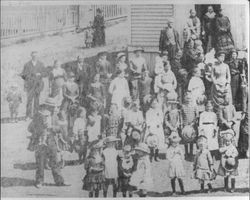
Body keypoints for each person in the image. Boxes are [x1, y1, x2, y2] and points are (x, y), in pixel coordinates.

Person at [28, 98, 69, 188]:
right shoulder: (38, 116)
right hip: (40, 142)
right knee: (40, 163)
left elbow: (59, 129)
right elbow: (30, 128)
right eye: (52, 107)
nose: (54, 109)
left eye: (53, 107)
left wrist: (52, 127)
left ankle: (59, 181)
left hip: (51, 141)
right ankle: (39, 181)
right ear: (47, 106)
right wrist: (40, 129)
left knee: (55, 162)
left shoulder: (54, 116)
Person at [20, 51, 47, 119]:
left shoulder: (41, 64)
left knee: (37, 100)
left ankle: (35, 115)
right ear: (31, 56)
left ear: (37, 56)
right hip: (30, 86)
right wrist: (29, 76)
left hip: (38, 85)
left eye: (36, 56)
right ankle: (28, 115)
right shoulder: (27, 64)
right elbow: (23, 75)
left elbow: (45, 73)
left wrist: (40, 74)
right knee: (29, 100)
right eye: (33, 56)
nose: (34, 57)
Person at [181, 94, 199, 159]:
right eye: (187, 98)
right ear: (185, 99)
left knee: (191, 139)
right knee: (185, 139)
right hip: (185, 124)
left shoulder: (195, 106)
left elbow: (197, 116)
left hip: (192, 125)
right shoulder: (183, 106)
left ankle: (191, 153)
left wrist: (193, 123)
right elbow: (181, 116)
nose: (188, 100)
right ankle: (186, 153)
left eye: (189, 98)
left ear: (192, 99)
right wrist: (182, 124)